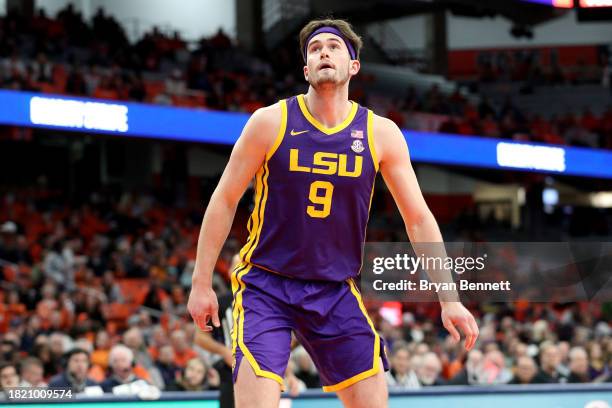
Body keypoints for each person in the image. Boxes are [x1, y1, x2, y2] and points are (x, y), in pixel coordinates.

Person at [188, 17, 478, 408]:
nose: (324, 51)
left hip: (334, 287)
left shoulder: (381, 133)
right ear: (306, 69)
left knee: (373, 399)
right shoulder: (270, 121)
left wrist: (449, 298)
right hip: (265, 285)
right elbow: (223, 200)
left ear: (353, 66)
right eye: (314, 48)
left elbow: (419, 218)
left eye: (334, 46)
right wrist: (201, 283)